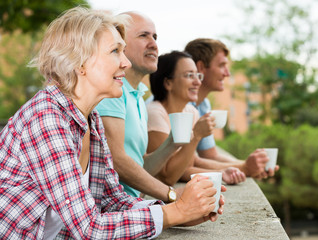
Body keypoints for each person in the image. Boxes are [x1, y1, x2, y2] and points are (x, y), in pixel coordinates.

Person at [0, 7, 225, 239]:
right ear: (80, 63)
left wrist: (179, 210)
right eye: (115, 51)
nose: (126, 63)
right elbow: (89, 228)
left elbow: (111, 200)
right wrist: (176, 211)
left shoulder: (91, 119)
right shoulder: (46, 118)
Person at [96, 12, 185, 201]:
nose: (154, 44)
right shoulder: (111, 91)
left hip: (131, 203)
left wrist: (172, 143)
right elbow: (116, 161)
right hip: (111, 208)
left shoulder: (138, 96)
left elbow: (139, 166)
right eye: (143, 35)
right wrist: (172, 196)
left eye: (155, 37)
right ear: (119, 44)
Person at [146, 51, 246, 185]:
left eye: (198, 75)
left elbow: (187, 165)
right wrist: (197, 136)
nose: (198, 82)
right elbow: (167, 177)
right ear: (168, 83)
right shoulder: (154, 113)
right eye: (189, 75)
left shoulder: (190, 111)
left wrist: (221, 173)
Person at [185, 38, 279, 178]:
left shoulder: (203, 104)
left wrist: (253, 166)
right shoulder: (180, 104)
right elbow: (189, 164)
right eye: (222, 65)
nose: (227, 73)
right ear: (201, 68)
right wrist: (244, 167)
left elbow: (210, 155)